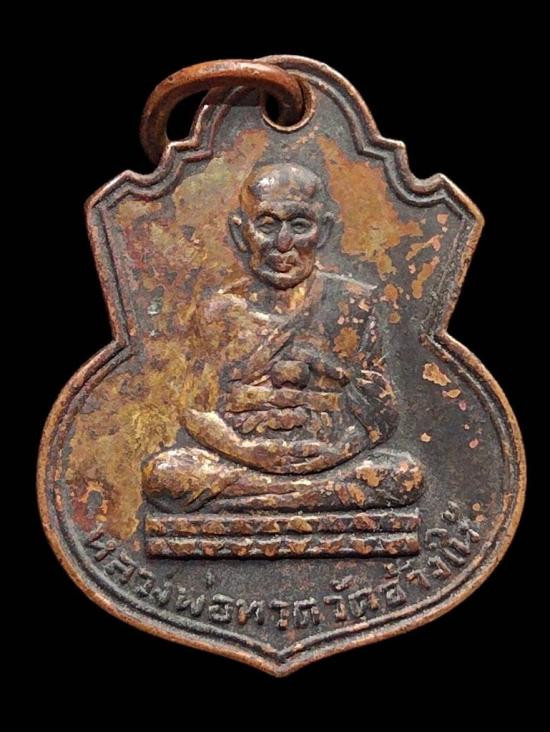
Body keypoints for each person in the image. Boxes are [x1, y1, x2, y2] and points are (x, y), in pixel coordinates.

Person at [142, 163, 423, 512]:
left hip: (328, 462)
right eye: (267, 225)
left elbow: (379, 411)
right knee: (165, 475)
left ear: (324, 231)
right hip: (242, 460)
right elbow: (197, 410)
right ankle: (305, 498)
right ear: (240, 233)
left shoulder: (353, 303)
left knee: (403, 474)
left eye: (300, 225)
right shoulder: (219, 311)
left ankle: (262, 499)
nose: (284, 243)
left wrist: (338, 452)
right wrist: (247, 451)